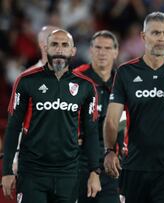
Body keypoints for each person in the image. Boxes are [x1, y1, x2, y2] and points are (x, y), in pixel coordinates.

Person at [103, 11, 164, 203]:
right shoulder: (125, 72)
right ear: (143, 36)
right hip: (134, 167)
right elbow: (112, 119)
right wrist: (110, 150)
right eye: (155, 33)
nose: (161, 39)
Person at [1, 29, 101, 203]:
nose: (59, 49)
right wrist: (7, 170)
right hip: (32, 171)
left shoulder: (86, 86)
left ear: (73, 51)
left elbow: (91, 131)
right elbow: (13, 126)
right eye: (54, 44)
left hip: (68, 173)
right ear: (46, 48)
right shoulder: (26, 81)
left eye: (65, 45)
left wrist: (95, 171)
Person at [73, 30, 120, 203]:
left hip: (114, 162)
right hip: (80, 162)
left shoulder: (122, 82)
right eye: (98, 47)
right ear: (90, 50)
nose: (102, 52)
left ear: (116, 52)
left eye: (107, 48)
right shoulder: (76, 78)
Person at [12, 25, 60, 175]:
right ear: (43, 45)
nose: (60, 46)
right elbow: (16, 122)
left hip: (66, 161)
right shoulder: (25, 79)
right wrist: (15, 158)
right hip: (34, 159)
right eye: (55, 41)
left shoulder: (76, 79)